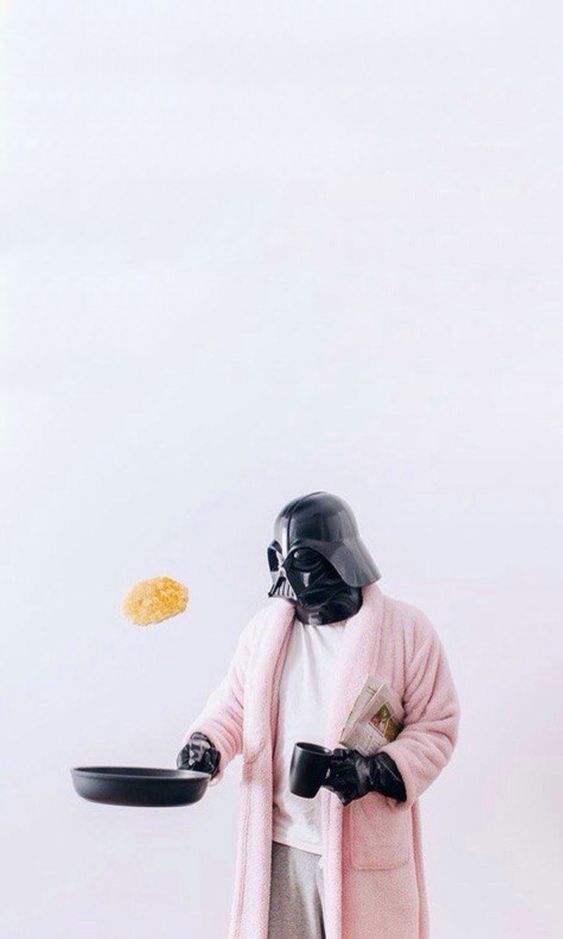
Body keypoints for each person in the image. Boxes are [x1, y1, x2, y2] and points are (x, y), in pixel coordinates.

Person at [178, 492, 460, 939]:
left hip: (365, 850)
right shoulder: (263, 633)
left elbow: (436, 725)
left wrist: (375, 771)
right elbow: (233, 706)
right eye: (277, 560)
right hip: (279, 846)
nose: (285, 577)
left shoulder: (406, 632)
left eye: (301, 560)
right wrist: (206, 742)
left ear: (342, 558)